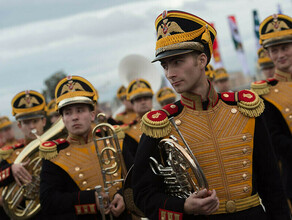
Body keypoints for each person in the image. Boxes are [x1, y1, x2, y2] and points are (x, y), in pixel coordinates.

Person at [132, 10, 290, 220]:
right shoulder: (161, 124)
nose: (170, 74)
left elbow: (273, 186)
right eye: (165, 65)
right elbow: (142, 196)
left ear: (202, 59)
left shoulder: (246, 109)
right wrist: (183, 206)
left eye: (177, 62)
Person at [39, 75, 126, 219]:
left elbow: (138, 179)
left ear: (92, 115)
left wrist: (124, 196)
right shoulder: (54, 155)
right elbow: (49, 202)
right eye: (68, 113)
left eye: (80, 110)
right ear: (63, 120)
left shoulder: (113, 140)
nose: (74, 117)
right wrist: (90, 201)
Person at [251, 14, 292, 210]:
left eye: (285, 47)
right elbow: (276, 140)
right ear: (267, 53)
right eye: (274, 50)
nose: (280, 54)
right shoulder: (265, 93)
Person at [0, 90, 46, 219]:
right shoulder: (11, 154)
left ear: (43, 121)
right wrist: (11, 169)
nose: (31, 126)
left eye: (35, 121)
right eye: (26, 123)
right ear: (19, 125)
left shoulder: (57, 147)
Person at [122, 78, 153, 170]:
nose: (143, 102)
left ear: (151, 100)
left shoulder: (165, 120)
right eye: (138, 99)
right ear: (132, 104)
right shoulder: (127, 131)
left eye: (146, 98)